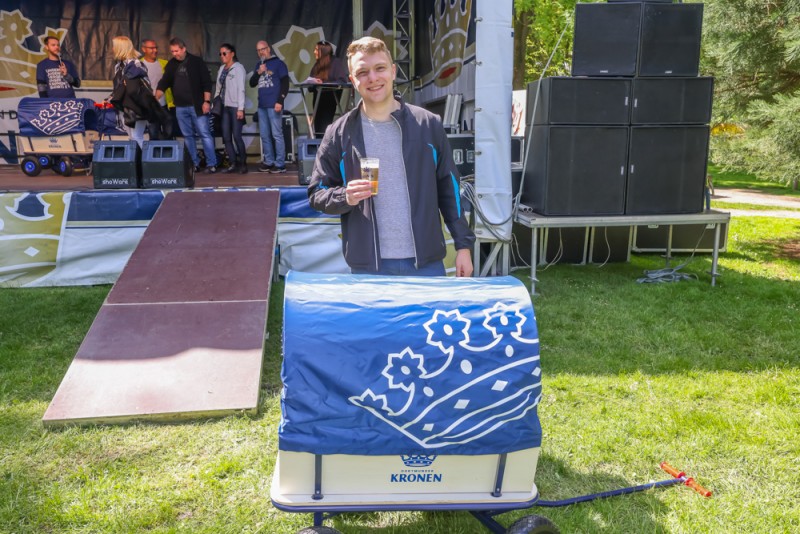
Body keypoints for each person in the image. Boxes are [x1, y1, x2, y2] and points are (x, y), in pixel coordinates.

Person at [308, 37, 474, 277]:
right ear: (352, 80)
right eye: (362, 72)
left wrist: (463, 246)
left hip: (425, 266)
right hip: (368, 268)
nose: (373, 78)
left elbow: (450, 189)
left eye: (380, 68)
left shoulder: (428, 124)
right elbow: (317, 193)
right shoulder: (339, 132)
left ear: (393, 71)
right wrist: (345, 196)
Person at [155, 37, 218, 173]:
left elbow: (207, 82)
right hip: (181, 107)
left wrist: (206, 101)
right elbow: (164, 82)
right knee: (187, 136)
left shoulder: (196, 62)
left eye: (177, 51)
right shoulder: (171, 64)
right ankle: (194, 163)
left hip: (198, 105)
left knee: (204, 134)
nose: (175, 54)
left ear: (184, 49)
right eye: (172, 51)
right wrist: (156, 97)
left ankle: (211, 163)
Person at [110, 36, 166, 148]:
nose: (112, 49)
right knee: (132, 137)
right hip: (126, 107)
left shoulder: (135, 64)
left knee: (137, 136)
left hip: (137, 106)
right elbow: (118, 88)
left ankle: (145, 162)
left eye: (114, 46)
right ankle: (137, 162)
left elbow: (141, 85)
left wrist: (128, 82)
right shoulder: (119, 66)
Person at [250, 40, 289, 173]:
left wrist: (280, 101)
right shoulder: (258, 65)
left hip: (274, 105)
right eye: (258, 50)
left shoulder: (279, 63)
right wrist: (258, 72)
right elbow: (252, 83)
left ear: (269, 49)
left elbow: (285, 83)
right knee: (265, 135)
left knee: (277, 134)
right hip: (262, 105)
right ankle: (269, 161)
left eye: (263, 49)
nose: (261, 52)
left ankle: (280, 164)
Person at [215, 43, 248, 174]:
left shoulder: (238, 68)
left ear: (232, 54)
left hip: (235, 106)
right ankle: (233, 163)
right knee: (226, 136)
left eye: (225, 53)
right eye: (220, 54)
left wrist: (241, 108)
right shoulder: (222, 68)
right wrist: (215, 102)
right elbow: (218, 88)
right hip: (224, 106)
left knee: (237, 136)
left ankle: (243, 163)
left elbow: (241, 89)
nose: (222, 56)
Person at [307, 40, 348, 137]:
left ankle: (327, 148)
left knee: (325, 126)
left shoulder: (335, 62)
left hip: (329, 99)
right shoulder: (317, 65)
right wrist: (313, 83)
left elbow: (342, 81)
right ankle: (319, 148)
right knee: (317, 127)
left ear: (323, 51)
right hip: (318, 100)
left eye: (317, 50)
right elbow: (310, 85)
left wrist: (324, 83)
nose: (314, 52)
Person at [140, 39, 174, 140]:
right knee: (153, 131)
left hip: (164, 104)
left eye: (156, 48)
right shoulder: (139, 65)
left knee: (169, 124)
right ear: (144, 49)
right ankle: (155, 153)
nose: (155, 50)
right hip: (149, 105)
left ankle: (166, 149)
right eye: (151, 48)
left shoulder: (164, 64)